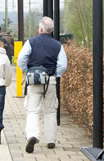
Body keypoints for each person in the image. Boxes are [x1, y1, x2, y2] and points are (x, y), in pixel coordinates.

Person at [16, 16, 67, 153]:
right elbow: (62, 65)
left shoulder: (31, 42)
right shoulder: (58, 45)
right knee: (50, 111)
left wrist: (27, 71)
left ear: (40, 29)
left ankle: (32, 135)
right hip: (49, 80)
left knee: (32, 110)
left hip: (33, 80)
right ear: (51, 31)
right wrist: (54, 75)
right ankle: (50, 140)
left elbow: (21, 59)